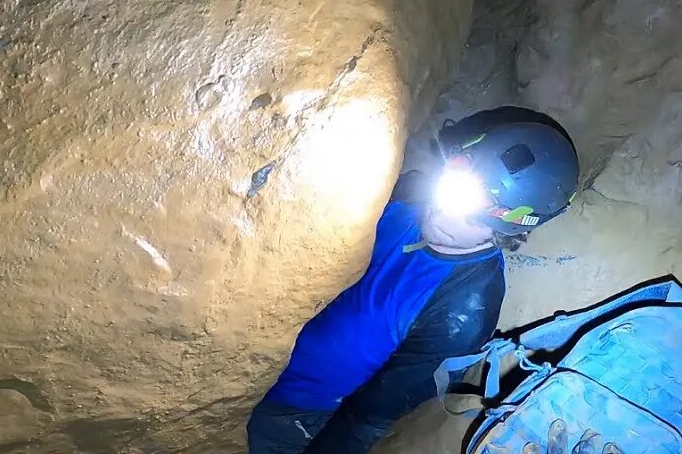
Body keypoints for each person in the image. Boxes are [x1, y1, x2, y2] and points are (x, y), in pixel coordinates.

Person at [247, 107, 581, 454]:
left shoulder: (464, 310)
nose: (442, 210)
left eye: (471, 210)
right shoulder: (411, 191)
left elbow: (369, 420)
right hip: (257, 345)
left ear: (506, 227)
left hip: (291, 416)